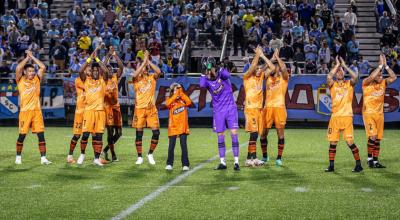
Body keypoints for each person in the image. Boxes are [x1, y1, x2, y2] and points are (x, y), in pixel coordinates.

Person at [200, 58, 240, 171]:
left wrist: (217, 68)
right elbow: (202, 85)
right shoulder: (206, 80)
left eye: (210, 68)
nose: (208, 72)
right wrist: (204, 71)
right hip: (218, 111)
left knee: (234, 134)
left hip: (230, 108)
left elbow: (227, 75)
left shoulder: (221, 75)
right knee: (220, 136)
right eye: (206, 69)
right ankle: (223, 162)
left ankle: (236, 162)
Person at [14, 50, 52, 165]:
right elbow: (17, 69)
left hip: (37, 111)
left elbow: (43, 67)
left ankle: (43, 158)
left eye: (33, 71)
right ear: (25, 72)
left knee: (41, 135)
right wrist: (27, 59)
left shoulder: (37, 79)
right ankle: (18, 157)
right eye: (29, 71)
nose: (32, 73)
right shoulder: (20, 80)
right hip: (25, 112)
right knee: (22, 135)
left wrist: (32, 57)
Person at [326, 56, 362, 172]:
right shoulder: (333, 84)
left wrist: (345, 66)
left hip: (347, 116)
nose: (339, 72)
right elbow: (328, 76)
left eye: (341, 71)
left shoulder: (349, 83)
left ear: (344, 72)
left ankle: (358, 164)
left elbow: (356, 76)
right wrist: (337, 65)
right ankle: (331, 166)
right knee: (333, 142)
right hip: (335, 117)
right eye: (337, 71)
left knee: (350, 142)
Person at [76, 48, 109, 166]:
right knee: (85, 134)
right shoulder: (86, 80)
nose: (95, 72)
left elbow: (106, 72)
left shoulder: (102, 81)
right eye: (93, 70)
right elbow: (80, 71)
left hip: (100, 111)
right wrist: (90, 58)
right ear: (91, 71)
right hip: (88, 111)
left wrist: (97, 59)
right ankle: (82, 154)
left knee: (99, 135)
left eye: (97, 70)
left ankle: (96, 158)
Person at [362, 55, 397, 168]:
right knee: (372, 136)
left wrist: (386, 66)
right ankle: (369, 159)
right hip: (369, 114)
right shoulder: (365, 83)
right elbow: (372, 76)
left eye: (381, 74)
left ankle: (376, 161)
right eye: (379, 74)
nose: (381, 75)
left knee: (377, 138)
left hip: (380, 114)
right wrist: (380, 66)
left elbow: (394, 77)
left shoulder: (383, 83)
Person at [243, 47, 275, 167]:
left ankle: (251, 158)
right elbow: (253, 65)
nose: (258, 70)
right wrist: (258, 54)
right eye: (257, 69)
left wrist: (263, 56)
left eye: (259, 69)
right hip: (251, 109)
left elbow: (272, 67)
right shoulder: (247, 77)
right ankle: (251, 158)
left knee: (255, 134)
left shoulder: (261, 77)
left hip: (258, 109)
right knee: (254, 133)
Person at [132, 51, 162, 165]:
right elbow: (134, 74)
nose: (145, 67)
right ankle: (139, 157)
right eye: (143, 66)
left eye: (146, 66)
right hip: (139, 109)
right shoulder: (136, 79)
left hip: (151, 109)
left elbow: (158, 71)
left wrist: (148, 61)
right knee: (139, 134)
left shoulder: (152, 77)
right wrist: (143, 62)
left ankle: (150, 154)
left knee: (156, 133)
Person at [260, 50, 289, 166]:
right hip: (267, 108)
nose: (274, 67)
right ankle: (265, 156)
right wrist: (271, 60)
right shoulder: (267, 77)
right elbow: (261, 70)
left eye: (276, 65)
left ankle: (279, 158)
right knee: (263, 134)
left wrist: (277, 57)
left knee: (280, 133)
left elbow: (284, 68)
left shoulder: (284, 78)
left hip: (279, 108)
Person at [102, 47, 124, 162]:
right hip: (107, 108)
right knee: (110, 133)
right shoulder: (104, 80)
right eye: (108, 69)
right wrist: (108, 56)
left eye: (111, 69)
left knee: (119, 133)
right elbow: (103, 67)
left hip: (116, 107)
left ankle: (105, 149)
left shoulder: (115, 77)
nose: (110, 70)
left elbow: (121, 67)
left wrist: (114, 54)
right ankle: (113, 154)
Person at [165, 83, 192, 171]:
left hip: (183, 126)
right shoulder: (170, 100)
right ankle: (169, 164)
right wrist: (175, 94)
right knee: (171, 146)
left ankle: (185, 164)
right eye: (176, 89)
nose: (178, 91)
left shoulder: (183, 99)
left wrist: (181, 94)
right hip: (173, 126)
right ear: (172, 91)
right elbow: (167, 104)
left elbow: (189, 102)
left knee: (183, 146)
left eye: (179, 89)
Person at [66, 65, 87, 164]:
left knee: (93, 135)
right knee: (77, 135)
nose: (89, 71)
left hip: (90, 112)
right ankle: (70, 155)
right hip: (80, 112)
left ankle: (85, 155)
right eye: (87, 69)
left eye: (90, 69)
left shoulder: (93, 81)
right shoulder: (78, 80)